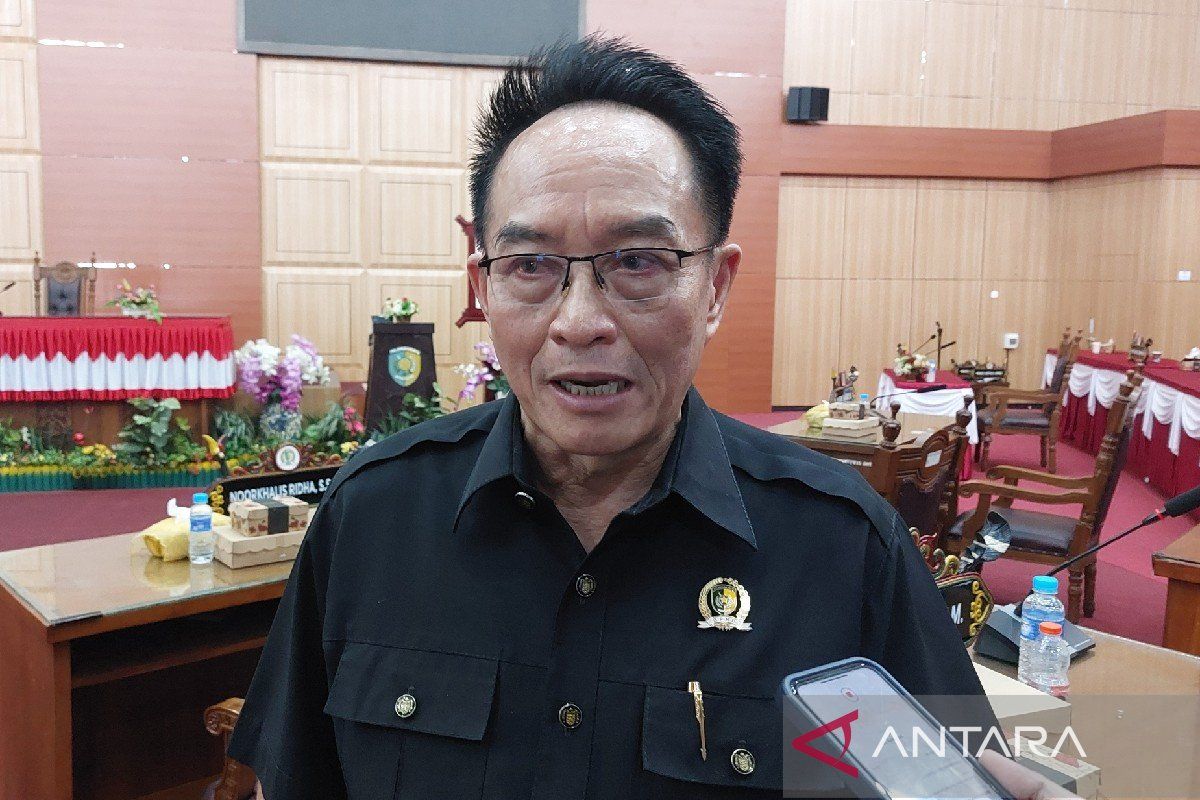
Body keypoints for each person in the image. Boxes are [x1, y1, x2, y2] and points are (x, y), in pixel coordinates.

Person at [228, 35, 1076, 799]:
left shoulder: (845, 551)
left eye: (638, 261)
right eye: (531, 264)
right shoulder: (372, 516)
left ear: (716, 286)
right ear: (482, 283)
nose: (578, 321)